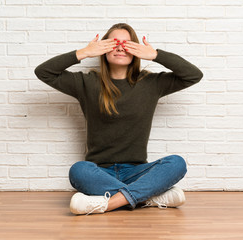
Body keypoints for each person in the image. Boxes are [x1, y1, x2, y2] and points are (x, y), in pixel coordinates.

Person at [34, 23, 203, 215]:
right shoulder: (86, 83)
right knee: (78, 171)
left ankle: (106, 204)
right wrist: (84, 52)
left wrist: (156, 55)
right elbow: (43, 72)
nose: (121, 47)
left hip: (136, 172)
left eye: (127, 43)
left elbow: (193, 75)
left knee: (176, 163)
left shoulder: (151, 83)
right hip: (99, 172)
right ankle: (147, 197)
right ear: (104, 49)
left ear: (136, 50)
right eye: (114, 43)